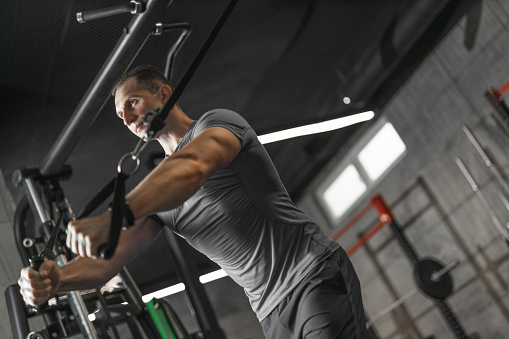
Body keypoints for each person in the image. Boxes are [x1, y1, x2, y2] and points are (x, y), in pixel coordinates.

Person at [18, 65, 372, 338]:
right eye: (120, 116)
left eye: (132, 103)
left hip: (310, 274)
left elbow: (194, 167)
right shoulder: (154, 192)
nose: (126, 117)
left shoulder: (216, 124)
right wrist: (56, 281)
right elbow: (106, 263)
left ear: (163, 94)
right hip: (270, 309)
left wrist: (115, 215)